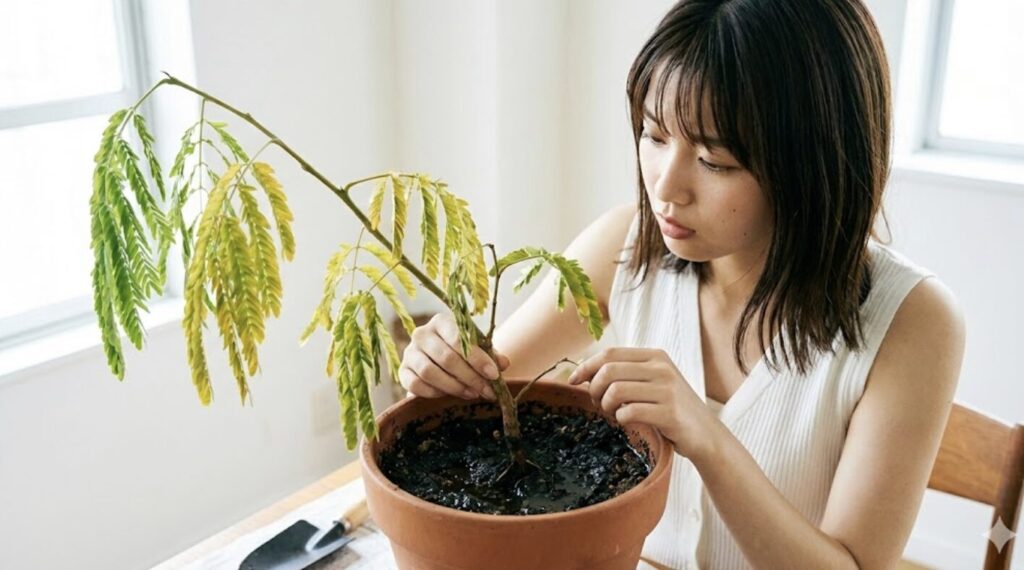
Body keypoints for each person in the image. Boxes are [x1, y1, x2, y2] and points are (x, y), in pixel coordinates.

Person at [398, 0, 966, 568]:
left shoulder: (913, 322)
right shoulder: (622, 249)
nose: (666, 187)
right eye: (653, 135)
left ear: (811, 161)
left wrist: (707, 438)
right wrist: (441, 363)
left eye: (714, 161)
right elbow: (485, 389)